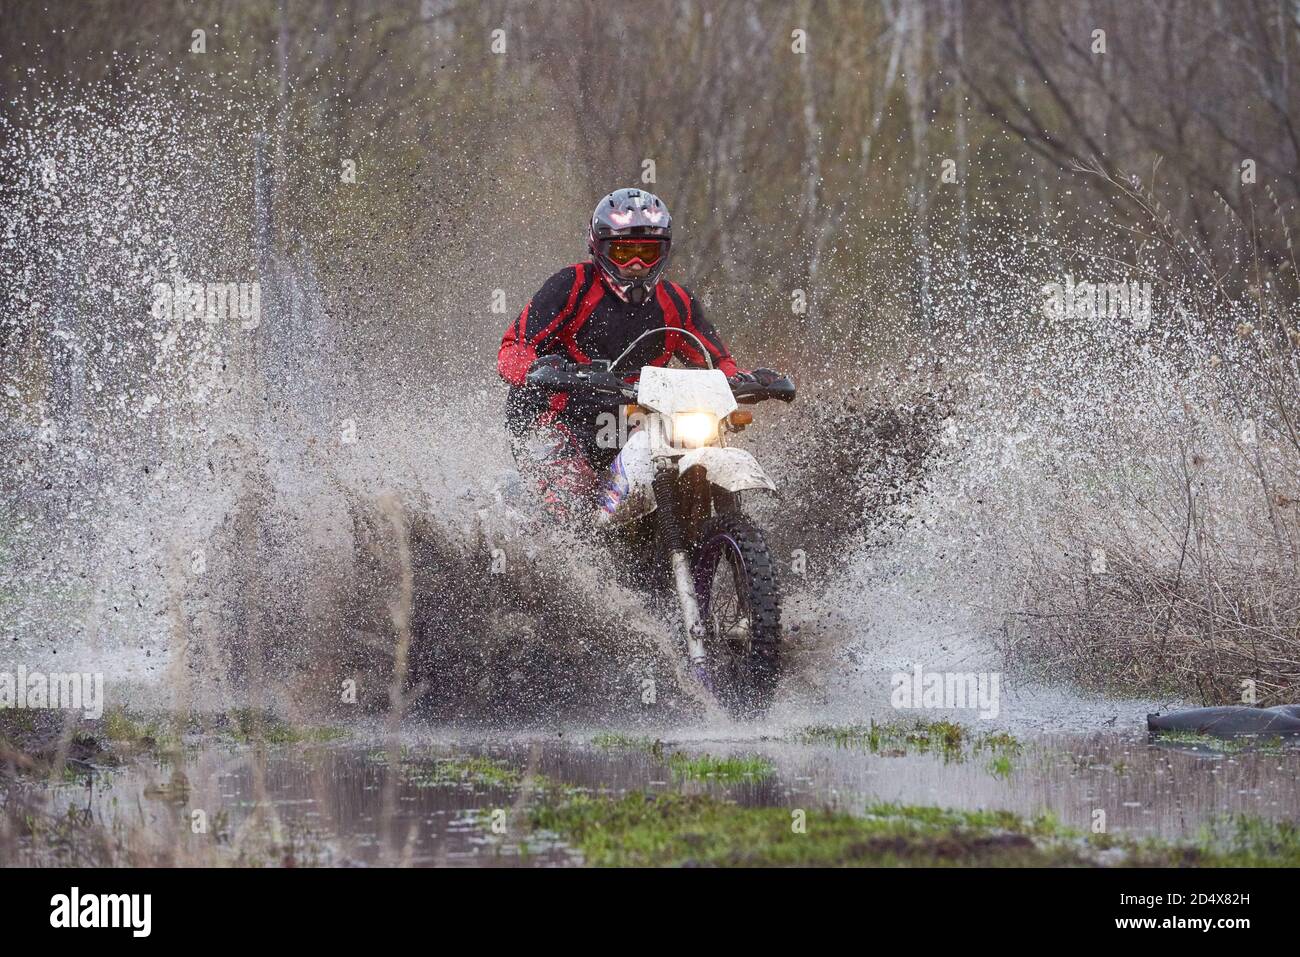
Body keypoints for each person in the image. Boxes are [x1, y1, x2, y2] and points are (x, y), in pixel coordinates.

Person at [497, 188, 749, 518]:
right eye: (623, 251)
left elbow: (718, 362)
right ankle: (553, 561)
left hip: (635, 421)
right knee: (573, 515)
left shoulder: (677, 302)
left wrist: (742, 381)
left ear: (664, 251)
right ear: (599, 248)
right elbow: (513, 347)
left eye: (647, 253)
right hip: (559, 419)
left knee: (692, 455)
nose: (635, 265)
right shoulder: (572, 286)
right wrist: (536, 370)